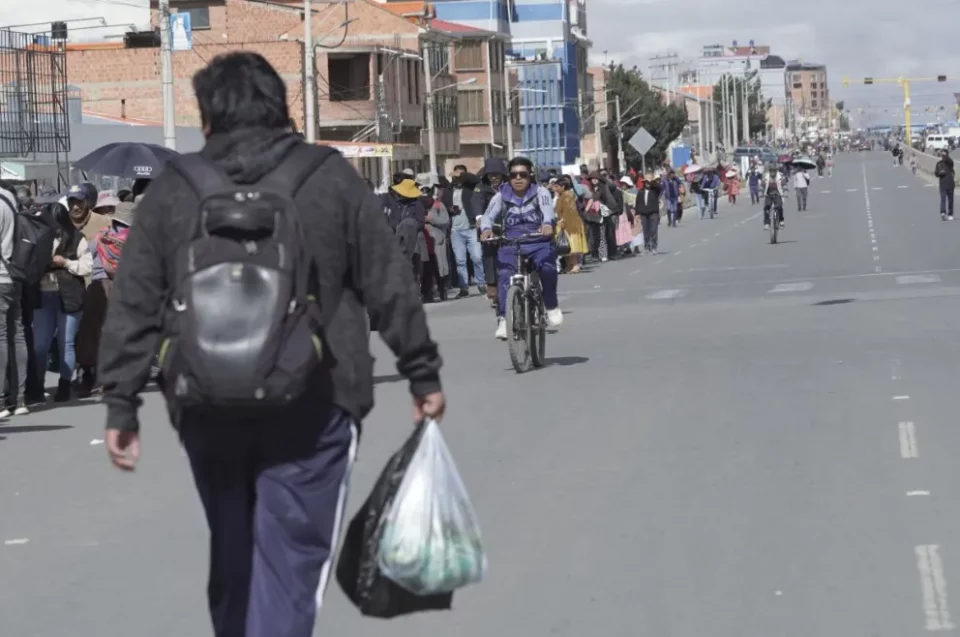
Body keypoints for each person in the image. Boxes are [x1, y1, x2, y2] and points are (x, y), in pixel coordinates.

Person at [95, 51, 444, 637]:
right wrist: (421, 372)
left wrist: (121, 404)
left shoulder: (176, 187)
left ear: (207, 117)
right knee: (291, 563)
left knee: (233, 551)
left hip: (205, 402)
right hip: (318, 402)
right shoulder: (329, 177)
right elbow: (388, 279)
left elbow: (133, 299)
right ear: (281, 110)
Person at [480, 156, 563, 340]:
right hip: (511, 242)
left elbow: (547, 211)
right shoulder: (501, 195)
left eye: (522, 174)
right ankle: (504, 319)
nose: (518, 178)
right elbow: (487, 216)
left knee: (547, 268)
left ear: (530, 175)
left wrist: (547, 224)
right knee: (504, 276)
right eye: (513, 175)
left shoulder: (540, 192)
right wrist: (486, 229)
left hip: (538, 240)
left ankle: (551, 305)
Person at [34, 201, 92, 403]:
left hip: (69, 295)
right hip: (43, 295)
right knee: (40, 345)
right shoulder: (39, 236)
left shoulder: (77, 238)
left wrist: (66, 262)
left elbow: (87, 267)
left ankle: (64, 385)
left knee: (65, 343)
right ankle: (37, 385)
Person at [0, 183, 28, 418]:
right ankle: (19, 399)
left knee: (1, 337)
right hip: (15, 274)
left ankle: (0, 401)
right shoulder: (10, 198)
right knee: (17, 334)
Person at [470, 157, 508, 307]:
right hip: (489, 228)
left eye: (497, 175)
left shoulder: (510, 185)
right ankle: (492, 286)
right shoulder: (481, 187)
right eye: (490, 175)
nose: (494, 178)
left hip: (510, 225)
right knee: (489, 257)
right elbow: (476, 202)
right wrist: (480, 218)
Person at [443, 165, 484, 298]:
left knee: (477, 258)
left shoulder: (471, 187)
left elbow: (477, 179)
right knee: (460, 261)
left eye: (461, 175)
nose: (458, 178)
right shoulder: (449, 190)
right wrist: (450, 209)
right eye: (456, 175)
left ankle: (482, 284)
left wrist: (462, 175)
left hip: (471, 228)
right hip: (456, 230)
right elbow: (444, 206)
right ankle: (464, 288)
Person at [552, 176, 586, 273]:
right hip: (564, 221)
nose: (555, 188)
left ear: (563, 186)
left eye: (557, 186)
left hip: (570, 223)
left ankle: (575, 265)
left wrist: (563, 221)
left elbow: (568, 210)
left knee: (572, 245)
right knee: (565, 245)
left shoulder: (567, 195)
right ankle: (569, 265)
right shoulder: (562, 195)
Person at [635, 171, 662, 254]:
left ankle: (654, 247)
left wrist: (652, 181)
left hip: (653, 213)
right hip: (644, 214)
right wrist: (637, 214)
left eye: (649, 181)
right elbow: (638, 203)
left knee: (653, 230)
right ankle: (647, 247)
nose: (647, 183)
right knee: (645, 231)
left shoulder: (655, 190)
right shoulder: (641, 191)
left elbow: (660, 187)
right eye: (646, 181)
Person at [762, 162, 786, 230]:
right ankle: (767, 223)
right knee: (766, 208)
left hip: (778, 194)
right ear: (769, 171)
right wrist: (761, 192)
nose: (772, 172)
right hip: (768, 194)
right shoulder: (766, 176)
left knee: (779, 207)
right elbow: (762, 185)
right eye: (771, 170)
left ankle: (781, 221)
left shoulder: (780, 176)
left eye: (774, 170)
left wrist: (785, 192)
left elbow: (784, 185)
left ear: (776, 170)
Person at [935, 149, 955, 221]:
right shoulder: (939, 163)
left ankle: (950, 214)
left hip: (950, 184)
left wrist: (945, 155)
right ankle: (943, 212)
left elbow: (951, 161)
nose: (943, 156)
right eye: (942, 155)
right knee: (943, 199)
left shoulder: (949, 163)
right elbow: (936, 173)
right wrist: (940, 173)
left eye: (944, 155)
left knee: (950, 200)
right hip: (942, 185)